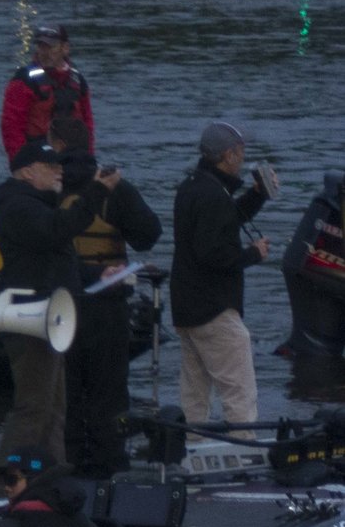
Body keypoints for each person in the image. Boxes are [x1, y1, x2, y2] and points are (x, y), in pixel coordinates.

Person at [0, 139, 111, 484]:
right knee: (33, 407)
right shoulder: (19, 206)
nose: (59, 173)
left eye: (60, 167)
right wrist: (96, 192)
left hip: (49, 317)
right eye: (50, 167)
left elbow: (53, 260)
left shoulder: (34, 205)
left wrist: (97, 274)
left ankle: (50, 480)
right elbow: (57, 230)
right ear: (27, 172)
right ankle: (2, 484)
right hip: (30, 318)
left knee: (54, 408)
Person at [51, 124, 161, 478]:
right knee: (109, 391)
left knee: (66, 391)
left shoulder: (49, 188)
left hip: (60, 306)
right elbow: (148, 235)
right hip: (108, 305)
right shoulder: (115, 190)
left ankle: (70, 461)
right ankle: (109, 463)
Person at [171, 119, 272, 427]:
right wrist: (253, 254)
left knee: (195, 392)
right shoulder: (213, 195)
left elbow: (222, 223)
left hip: (187, 308)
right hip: (213, 309)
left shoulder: (194, 185)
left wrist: (257, 194)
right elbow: (213, 253)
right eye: (240, 151)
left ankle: (191, 449)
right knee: (239, 391)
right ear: (228, 155)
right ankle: (245, 456)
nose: (243, 157)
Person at [0, 22, 92, 156]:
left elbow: (88, 123)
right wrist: (20, 163)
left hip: (74, 156)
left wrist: (89, 156)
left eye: (51, 47)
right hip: (38, 157)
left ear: (65, 48)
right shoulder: (23, 81)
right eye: (41, 46)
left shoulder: (78, 81)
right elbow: (11, 126)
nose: (45, 52)